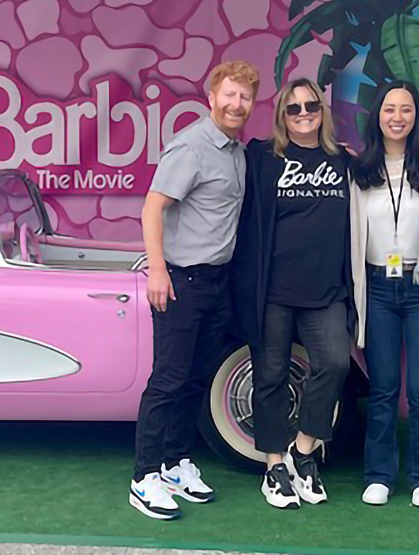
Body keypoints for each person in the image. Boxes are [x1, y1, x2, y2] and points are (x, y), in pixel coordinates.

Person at [130, 60, 260, 521]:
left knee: (196, 380)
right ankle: (144, 477)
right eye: (229, 95)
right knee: (168, 380)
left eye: (244, 97)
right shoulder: (192, 146)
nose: (236, 104)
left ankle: (174, 463)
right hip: (181, 282)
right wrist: (159, 272)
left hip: (216, 283)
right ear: (211, 98)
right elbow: (152, 208)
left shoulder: (236, 152)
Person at [232, 77, 356, 509]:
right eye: (294, 108)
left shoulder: (343, 161)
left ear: (322, 112)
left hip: (326, 291)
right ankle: (273, 466)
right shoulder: (262, 158)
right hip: (272, 292)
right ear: (282, 115)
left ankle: (303, 452)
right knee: (270, 376)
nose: (304, 114)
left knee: (336, 364)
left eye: (311, 107)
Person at [349, 81, 419, 508]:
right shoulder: (360, 169)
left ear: (416, 117)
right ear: (377, 115)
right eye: (389, 108)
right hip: (375, 286)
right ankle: (380, 474)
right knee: (385, 386)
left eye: (406, 109)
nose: (397, 117)